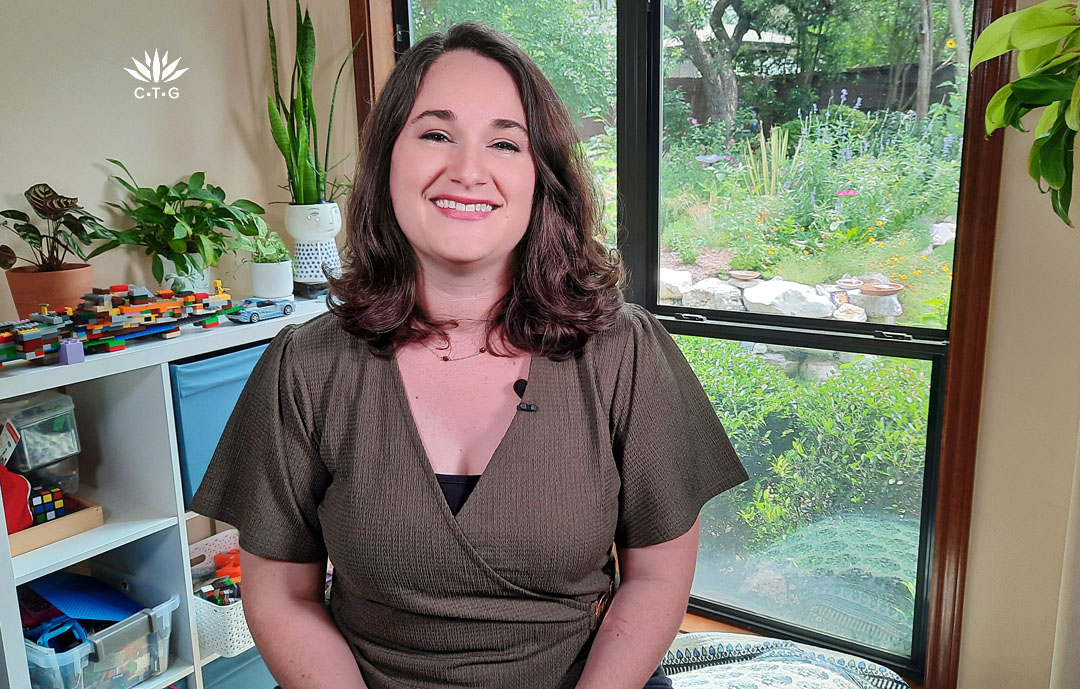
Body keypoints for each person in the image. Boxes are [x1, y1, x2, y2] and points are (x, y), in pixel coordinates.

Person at [192, 22, 747, 689]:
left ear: (539, 178)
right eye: (435, 133)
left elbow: (656, 578)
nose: (468, 169)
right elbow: (282, 595)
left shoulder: (625, 352)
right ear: (388, 161)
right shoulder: (305, 366)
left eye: (505, 142)